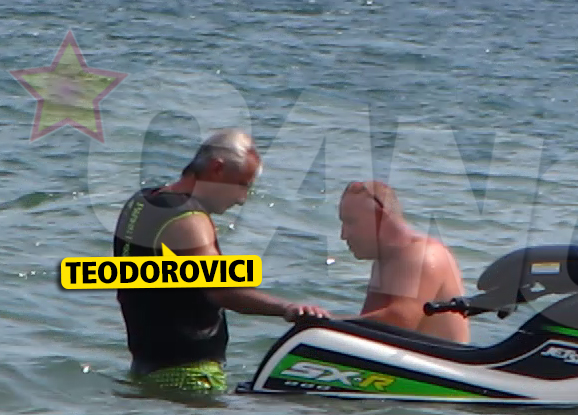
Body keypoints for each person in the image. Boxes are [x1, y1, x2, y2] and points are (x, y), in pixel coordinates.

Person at [112, 129, 331, 393]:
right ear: (217, 169)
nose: (241, 199)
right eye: (242, 185)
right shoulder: (188, 219)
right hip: (191, 376)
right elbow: (222, 290)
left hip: (144, 368)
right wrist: (288, 308)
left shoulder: (140, 203)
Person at [338, 180, 470, 344]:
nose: (343, 235)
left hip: (434, 359)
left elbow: (400, 321)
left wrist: (326, 323)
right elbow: (367, 323)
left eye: (350, 222)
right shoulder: (385, 259)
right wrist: (314, 317)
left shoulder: (423, 254)